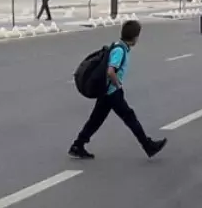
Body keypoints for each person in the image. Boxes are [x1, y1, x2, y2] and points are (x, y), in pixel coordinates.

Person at [69, 20, 167, 160]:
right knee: (130, 118)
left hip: (106, 92)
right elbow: (110, 71)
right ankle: (148, 145)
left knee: (95, 120)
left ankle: (77, 145)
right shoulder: (119, 50)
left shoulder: (118, 46)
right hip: (112, 93)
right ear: (134, 37)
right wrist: (117, 84)